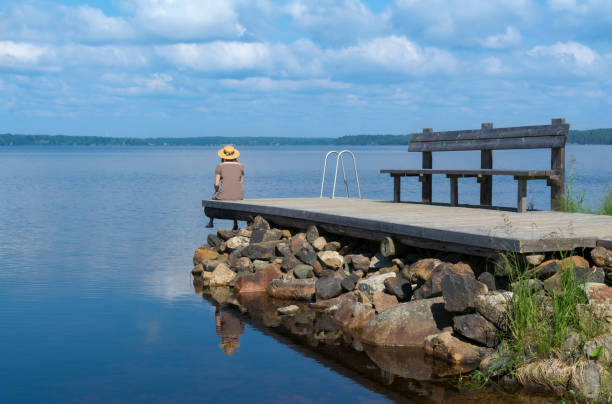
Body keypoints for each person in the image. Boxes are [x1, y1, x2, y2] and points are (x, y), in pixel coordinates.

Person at [206, 145, 244, 230]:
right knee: (234, 202)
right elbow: (241, 183)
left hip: (224, 195)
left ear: (223, 155)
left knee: (213, 198)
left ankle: (211, 222)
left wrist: (216, 191)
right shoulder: (241, 166)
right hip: (239, 196)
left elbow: (216, 184)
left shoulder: (219, 166)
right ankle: (235, 224)